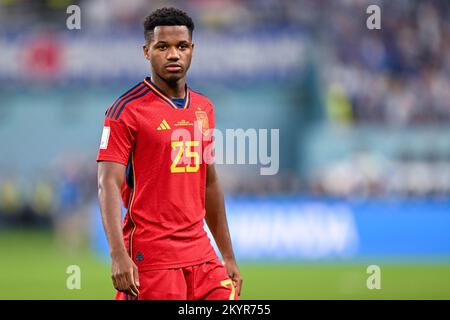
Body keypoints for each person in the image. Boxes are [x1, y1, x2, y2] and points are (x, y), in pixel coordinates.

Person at [97, 7, 242, 300]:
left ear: (192, 50)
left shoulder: (204, 108)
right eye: (162, 46)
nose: (173, 54)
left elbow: (209, 182)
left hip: (202, 256)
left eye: (181, 46)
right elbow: (107, 182)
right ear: (146, 51)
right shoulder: (125, 111)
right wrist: (117, 254)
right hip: (152, 260)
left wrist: (226, 254)